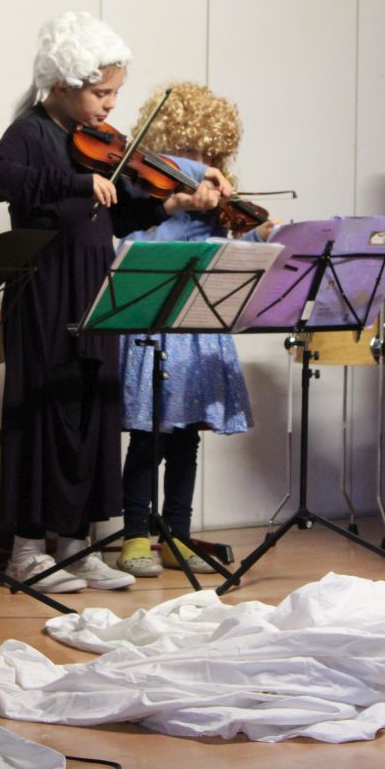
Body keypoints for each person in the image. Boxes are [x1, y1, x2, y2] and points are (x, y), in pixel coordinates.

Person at [0, 12, 232, 592]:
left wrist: (172, 205)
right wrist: (73, 182)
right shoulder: (30, 132)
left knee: (95, 413)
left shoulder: (100, 145)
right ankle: (26, 551)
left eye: (116, 92)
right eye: (101, 93)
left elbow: (115, 215)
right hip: (45, 287)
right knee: (44, 415)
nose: (111, 104)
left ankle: (77, 548)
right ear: (62, 85)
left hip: (96, 285)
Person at [115, 83, 274, 578]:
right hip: (154, 327)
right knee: (148, 439)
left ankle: (177, 536)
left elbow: (230, 258)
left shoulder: (218, 205)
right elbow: (132, 246)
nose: (200, 165)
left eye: (209, 156)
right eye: (187, 152)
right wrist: (183, 195)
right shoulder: (143, 195)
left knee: (187, 440)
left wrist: (260, 235)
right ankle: (134, 535)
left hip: (198, 331)